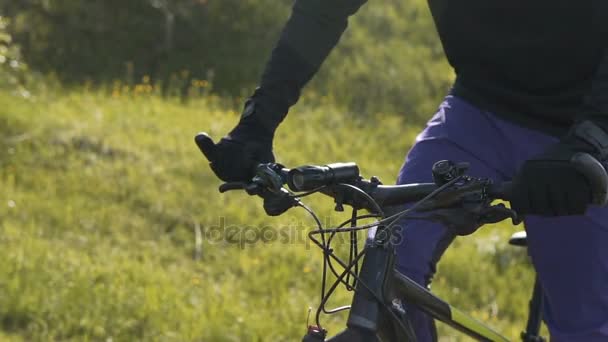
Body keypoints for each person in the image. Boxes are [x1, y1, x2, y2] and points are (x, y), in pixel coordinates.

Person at [199, 1, 608, 340]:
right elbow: (322, 10)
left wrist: (591, 139)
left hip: (581, 126)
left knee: (584, 321)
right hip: (478, 109)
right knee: (392, 264)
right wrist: (259, 120)